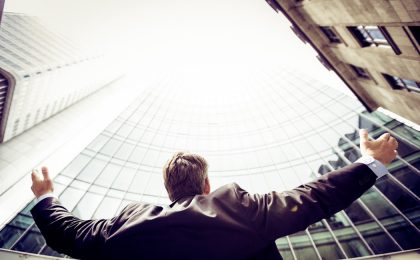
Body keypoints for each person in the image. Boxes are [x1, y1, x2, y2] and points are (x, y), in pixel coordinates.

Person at [30, 129, 398, 259]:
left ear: (169, 191)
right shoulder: (238, 209)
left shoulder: (127, 227)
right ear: (206, 186)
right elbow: (314, 196)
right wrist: (370, 163)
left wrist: (47, 197)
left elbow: (67, 234)